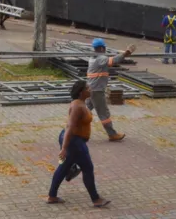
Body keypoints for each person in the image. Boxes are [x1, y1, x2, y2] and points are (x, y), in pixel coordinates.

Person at [47, 80, 110, 208]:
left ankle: (52, 196)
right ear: (82, 92)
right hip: (74, 142)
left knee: (63, 167)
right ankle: (96, 199)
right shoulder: (77, 106)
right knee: (88, 168)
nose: (90, 89)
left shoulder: (82, 103)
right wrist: (64, 148)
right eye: (88, 88)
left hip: (72, 140)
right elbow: (70, 127)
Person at [86, 38, 134, 141]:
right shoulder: (100, 58)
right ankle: (112, 134)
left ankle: (71, 128)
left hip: (91, 89)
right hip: (97, 90)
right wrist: (127, 53)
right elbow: (114, 60)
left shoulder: (93, 57)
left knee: (84, 110)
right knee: (104, 113)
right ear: (102, 47)